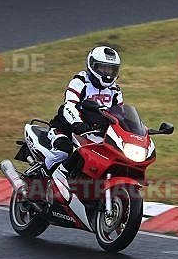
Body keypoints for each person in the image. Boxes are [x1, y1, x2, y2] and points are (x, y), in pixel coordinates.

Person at [45, 46, 123, 180]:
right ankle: (40, 182)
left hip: (96, 134)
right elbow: (69, 106)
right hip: (67, 128)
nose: (108, 73)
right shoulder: (80, 82)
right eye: (103, 68)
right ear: (92, 65)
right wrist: (77, 123)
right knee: (63, 151)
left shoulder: (115, 90)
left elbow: (121, 115)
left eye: (111, 69)